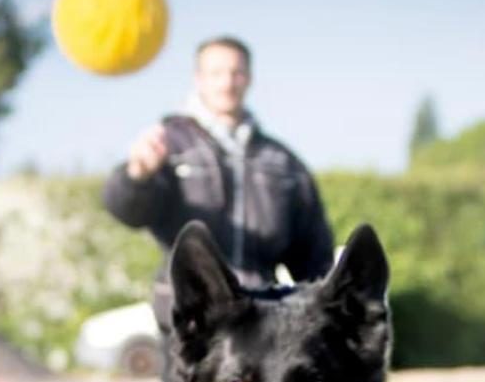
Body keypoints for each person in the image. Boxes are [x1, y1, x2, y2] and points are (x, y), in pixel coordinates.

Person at [102, 35, 335, 343]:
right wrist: (137, 176)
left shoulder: (282, 161)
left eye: (236, 72)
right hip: (191, 319)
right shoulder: (167, 144)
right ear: (198, 79)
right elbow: (126, 209)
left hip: (261, 320)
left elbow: (313, 257)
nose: (227, 82)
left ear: (249, 78)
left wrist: (323, 315)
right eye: (216, 73)